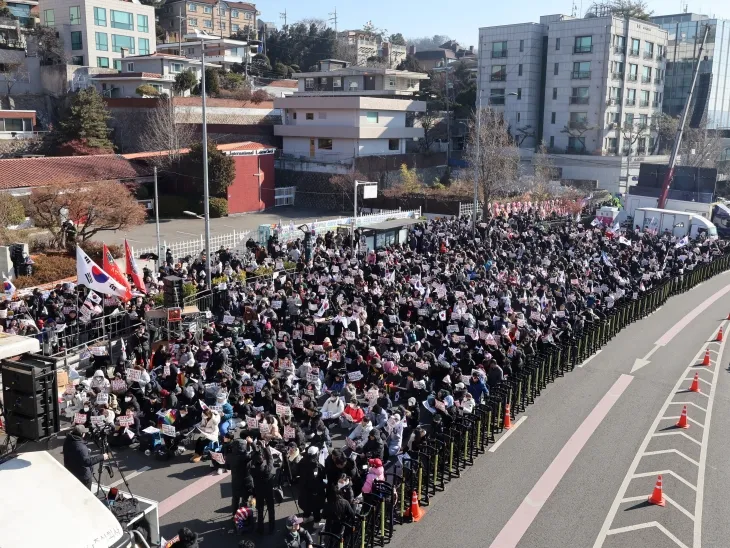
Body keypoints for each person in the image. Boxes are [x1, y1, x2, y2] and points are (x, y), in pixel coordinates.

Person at [63, 425, 110, 490]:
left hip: (71, 472)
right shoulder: (81, 447)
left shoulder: (68, 441)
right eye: (84, 433)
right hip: (83, 476)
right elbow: (87, 461)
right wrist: (102, 457)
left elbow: (74, 453)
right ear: (82, 434)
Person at [250, 441, 276, 534]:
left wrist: (253, 446)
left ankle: (260, 528)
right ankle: (272, 527)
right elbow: (270, 459)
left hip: (259, 491)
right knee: (271, 509)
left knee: (259, 509)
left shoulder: (252, 470)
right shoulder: (267, 469)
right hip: (268, 491)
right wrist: (265, 448)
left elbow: (254, 458)